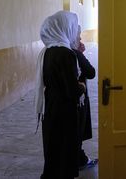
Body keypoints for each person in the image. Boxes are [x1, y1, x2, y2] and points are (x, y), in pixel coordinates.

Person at [35, 11, 86, 179]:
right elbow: (71, 90)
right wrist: (81, 87)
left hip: (50, 107)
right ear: (65, 28)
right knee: (65, 152)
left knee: (53, 149)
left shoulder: (47, 51)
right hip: (65, 112)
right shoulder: (66, 54)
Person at [72, 26, 98, 170]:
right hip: (77, 101)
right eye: (77, 35)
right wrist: (81, 54)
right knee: (77, 131)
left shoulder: (52, 50)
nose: (80, 38)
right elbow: (91, 72)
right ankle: (79, 160)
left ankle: (80, 157)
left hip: (61, 103)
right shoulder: (73, 53)